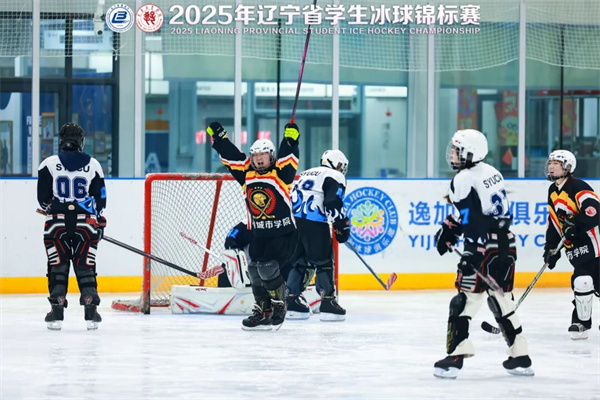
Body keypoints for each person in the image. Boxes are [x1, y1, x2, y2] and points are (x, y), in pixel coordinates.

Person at [433, 129, 534, 379]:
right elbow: (479, 211)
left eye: (457, 150)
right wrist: (450, 230)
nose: (453, 154)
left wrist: (472, 249)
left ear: (470, 153)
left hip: (484, 246)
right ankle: (520, 356)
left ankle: (455, 357)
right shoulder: (492, 172)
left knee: (464, 301)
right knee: (503, 302)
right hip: (506, 243)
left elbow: (472, 218)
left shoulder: (463, 178)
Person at [208, 122, 299, 331]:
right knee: (253, 269)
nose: (259, 159)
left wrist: (291, 141)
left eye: (263, 154)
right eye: (255, 155)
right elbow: (232, 157)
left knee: (267, 267)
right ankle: (263, 311)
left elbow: (289, 158)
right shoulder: (247, 174)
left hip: (284, 233)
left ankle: (279, 304)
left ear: (271, 156)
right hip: (260, 233)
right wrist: (220, 138)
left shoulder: (281, 173)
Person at [37, 123, 106, 330]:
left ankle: (56, 311)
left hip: (56, 224)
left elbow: (43, 199)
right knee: (86, 265)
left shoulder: (48, 164)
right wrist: (99, 220)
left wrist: (55, 207)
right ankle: (91, 311)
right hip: (86, 225)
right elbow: (100, 199)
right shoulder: (93, 164)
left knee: (57, 266)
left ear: (61, 140)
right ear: (81, 141)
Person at [286, 149, 350, 321]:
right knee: (323, 260)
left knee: (300, 260)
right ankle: (328, 302)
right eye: (342, 166)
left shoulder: (306, 173)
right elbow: (332, 201)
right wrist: (340, 224)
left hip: (293, 222)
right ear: (337, 164)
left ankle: (291, 300)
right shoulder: (335, 175)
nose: (342, 170)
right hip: (314, 221)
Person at [543, 149, 600, 340]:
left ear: (567, 167)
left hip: (595, 244)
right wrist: (551, 248)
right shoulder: (553, 191)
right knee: (582, 281)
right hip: (576, 248)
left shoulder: (578, 186)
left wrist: (576, 224)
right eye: (550, 163)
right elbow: (554, 223)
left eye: (556, 164)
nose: (551, 167)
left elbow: (594, 211)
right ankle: (581, 323)